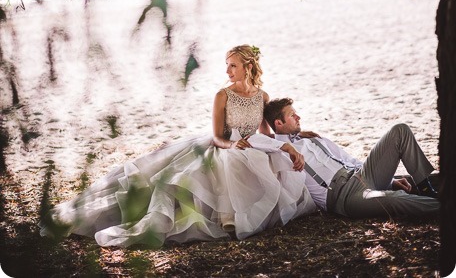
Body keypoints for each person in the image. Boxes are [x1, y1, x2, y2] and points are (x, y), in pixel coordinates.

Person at [40, 47, 316, 247]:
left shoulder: (262, 96)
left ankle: (246, 217)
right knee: (185, 177)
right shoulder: (222, 95)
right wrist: (232, 144)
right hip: (225, 146)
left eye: (233, 65)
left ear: (248, 67)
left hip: (251, 147)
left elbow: (265, 134)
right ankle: (227, 220)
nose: (228, 71)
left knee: (270, 164)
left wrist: (293, 140)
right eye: (227, 65)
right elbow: (217, 136)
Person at [263, 98, 440, 219]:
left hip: (361, 174)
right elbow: (252, 142)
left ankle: (426, 188)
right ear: (278, 123)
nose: (298, 117)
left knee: (400, 130)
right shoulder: (278, 151)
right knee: (395, 200)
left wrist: (391, 181)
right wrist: (285, 146)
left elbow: (349, 159)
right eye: (292, 115)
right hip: (346, 198)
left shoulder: (313, 138)